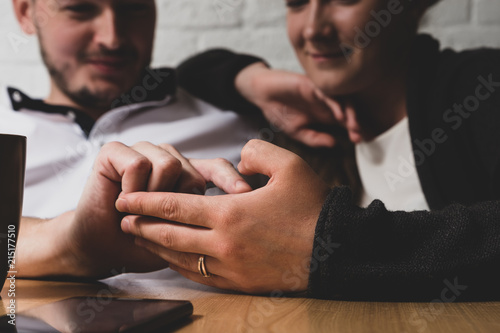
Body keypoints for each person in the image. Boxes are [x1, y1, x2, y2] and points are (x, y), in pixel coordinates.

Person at [115, 0, 500, 301]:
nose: (314, 29)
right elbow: (193, 71)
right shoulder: (313, 129)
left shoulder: (480, 88)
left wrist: (331, 247)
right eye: (296, 3)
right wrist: (254, 80)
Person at [0, 0, 263, 279]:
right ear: (26, 13)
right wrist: (71, 244)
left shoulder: (239, 120)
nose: (112, 39)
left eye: (133, 7)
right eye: (80, 8)